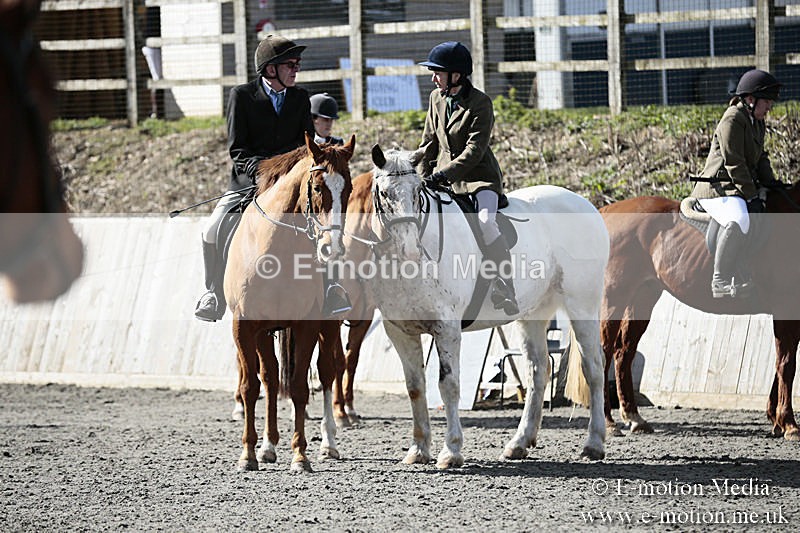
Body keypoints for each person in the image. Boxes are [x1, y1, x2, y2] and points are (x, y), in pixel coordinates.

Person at [195, 34, 350, 321]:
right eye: (290, 64)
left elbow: (305, 147)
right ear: (270, 69)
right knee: (212, 229)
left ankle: (331, 289)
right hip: (250, 181)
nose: (296, 69)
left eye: (297, 64)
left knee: (328, 225)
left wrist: (291, 175)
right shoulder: (241, 96)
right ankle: (213, 293)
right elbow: (238, 149)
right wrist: (264, 174)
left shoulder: (301, 98)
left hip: (291, 184)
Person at [417, 41, 519, 315]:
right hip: (442, 180)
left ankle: (505, 284)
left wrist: (442, 175)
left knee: (485, 223)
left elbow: (475, 151)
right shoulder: (436, 99)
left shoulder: (480, 103)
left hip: (478, 179)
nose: (433, 78)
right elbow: (428, 143)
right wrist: (420, 178)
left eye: (437, 72)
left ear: (456, 75)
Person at [690, 68, 782, 299]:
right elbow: (734, 163)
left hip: (735, 185)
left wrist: (772, 183)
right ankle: (720, 279)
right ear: (750, 99)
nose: (770, 106)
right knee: (739, 217)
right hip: (717, 187)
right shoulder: (732, 119)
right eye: (767, 101)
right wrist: (751, 195)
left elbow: (760, 156)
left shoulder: (757, 121)